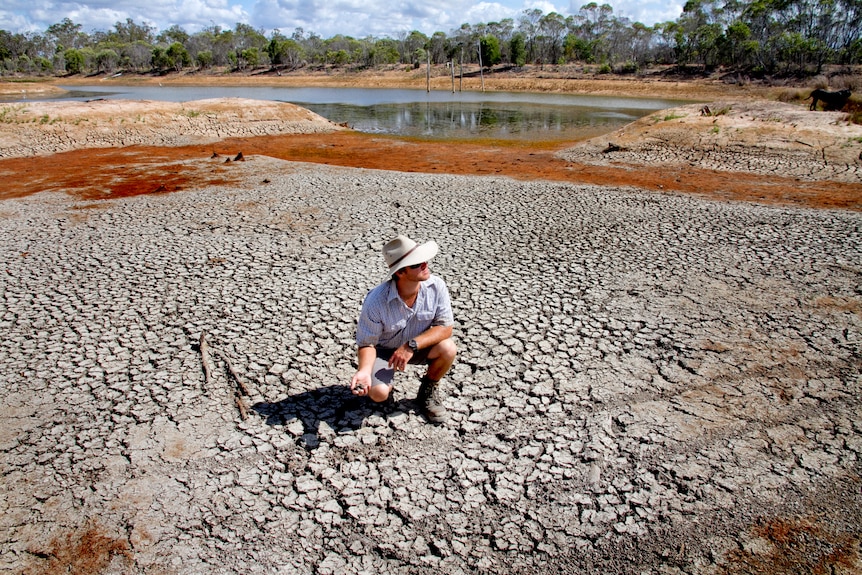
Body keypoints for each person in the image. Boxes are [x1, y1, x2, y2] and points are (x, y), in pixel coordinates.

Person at [350, 235, 456, 423]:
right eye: (416, 264)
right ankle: (385, 387)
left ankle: (427, 392)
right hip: (384, 353)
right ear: (400, 272)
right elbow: (367, 343)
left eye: (424, 260)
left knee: (448, 348)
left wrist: (410, 346)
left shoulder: (437, 287)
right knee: (378, 393)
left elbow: (445, 328)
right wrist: (364, 371)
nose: (425, 265)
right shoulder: (376, 301)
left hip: (416, 347)